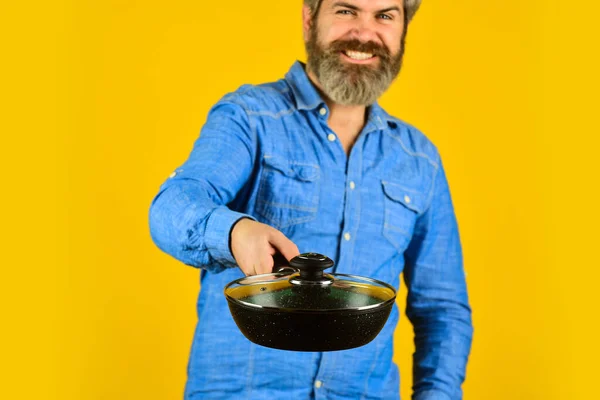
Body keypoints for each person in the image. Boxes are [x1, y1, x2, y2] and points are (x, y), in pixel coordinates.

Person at [149, 0, 473, 399]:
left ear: (403, 30)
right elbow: (171, 206)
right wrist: (234, 232)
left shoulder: (420, 159)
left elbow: (443, 309)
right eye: (346, 10)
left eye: (385, 15)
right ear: (309, 18)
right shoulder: (249, 118)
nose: (364, 33)